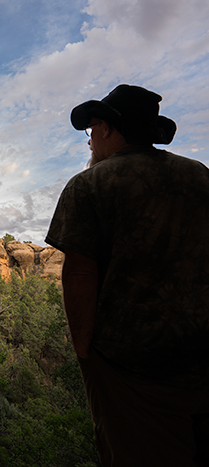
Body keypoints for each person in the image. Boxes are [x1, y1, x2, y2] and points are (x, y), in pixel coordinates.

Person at [46, 84, 209, 466]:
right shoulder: (200, 176)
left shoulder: (90, 184)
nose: (89, 143)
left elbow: (80, 273)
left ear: (106, 129)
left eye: (91, 131)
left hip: (132, 370)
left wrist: (84, 352)